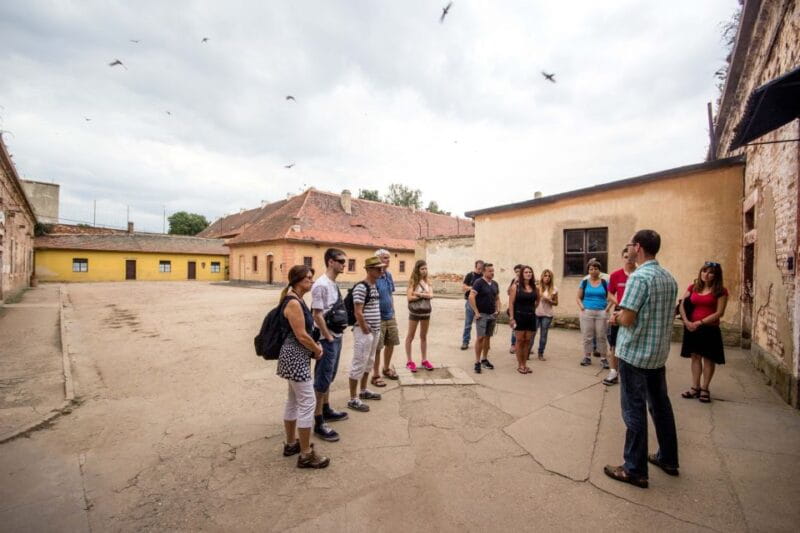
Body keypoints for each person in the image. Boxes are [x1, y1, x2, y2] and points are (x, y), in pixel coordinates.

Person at [605, 229, 679, 488]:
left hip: (635, 353)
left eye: (630, 246)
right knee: (661, 407)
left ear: (638, 247)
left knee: (633, 409)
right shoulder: (669, 277)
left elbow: (628, 318)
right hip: (657, 354)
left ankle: (634, 469)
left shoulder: (639, 277)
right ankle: (668, 458)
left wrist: (616, 317)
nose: (629, 250)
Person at [277, 265, 329, 469]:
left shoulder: (294, 298)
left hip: (293, 356)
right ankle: (306, 454)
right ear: (298, 281)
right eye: (308, 278)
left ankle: (292, 443)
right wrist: (317, 349)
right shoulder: (293, 302)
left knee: (293, 400)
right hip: (296, 356)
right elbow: (301, 335)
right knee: (307, 403)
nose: (312, 281)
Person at [310, 248, 350, 443]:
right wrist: (328, 336)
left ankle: (326, 409)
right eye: (340, 261)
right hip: (327, 339)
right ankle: (318, 421)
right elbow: (317, 314)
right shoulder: (321, 284)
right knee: (322, 379)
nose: (344, 264)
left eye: (344, 261)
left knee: (329, 376)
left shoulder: (332, 283)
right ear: (330, 262)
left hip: (336, 336)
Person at [679, 262, 729, 403]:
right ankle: (695, 387)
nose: (706, 275)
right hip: (691, 327)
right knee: (695, 357)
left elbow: (719, 312)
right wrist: (686, 321)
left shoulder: (721, 291)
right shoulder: (693, 287)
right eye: (704, 271)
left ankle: (705, 388)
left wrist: (699, 323)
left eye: (710, 272)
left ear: (716, 275)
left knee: (708, 358)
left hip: (709, 329)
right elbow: (682, 305)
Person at [347, 257, 384, 412]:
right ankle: (353, 398)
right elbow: (358, 311)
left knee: (369, 361)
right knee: (359, 362)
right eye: (378, 268)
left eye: (382, 268)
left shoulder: (374, 286)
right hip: (364, 332)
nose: (381, 270)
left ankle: (363, 390)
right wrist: (365, 328)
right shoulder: (361, 288)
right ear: (369, 269)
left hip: (374, 330)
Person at [603, 247, 636, 386]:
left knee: (632, 344)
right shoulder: (616, 275)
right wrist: (619, 303)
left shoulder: (640, 274)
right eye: (626, 256)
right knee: (614, 344)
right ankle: (613, 372)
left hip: (635, 312)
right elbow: (610, 294)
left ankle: (631, 374)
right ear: (622, 258)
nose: (629, 259)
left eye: (631, 257)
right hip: (619, 311)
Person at [577, 259, 616, 367]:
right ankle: (587, 357)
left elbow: (612, 297)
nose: (593, 271)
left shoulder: (605, 282)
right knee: (587, 336)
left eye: (596, 269)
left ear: (599, 270)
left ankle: (603, 358)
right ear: (588, 271)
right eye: (591, 269)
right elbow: (578, 297)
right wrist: (582, 307)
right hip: (587, 312)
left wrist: (607, 309)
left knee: (601, 336)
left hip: (601, 313)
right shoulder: (584, 282)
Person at [372, 249, 400, 387]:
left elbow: (390, 295)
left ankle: (386, 368)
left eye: (388, 258)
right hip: (378, 317)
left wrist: (393, 312)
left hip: (390, 316)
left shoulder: (388, 275)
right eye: (384, 258)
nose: (387, 260)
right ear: (378, 259)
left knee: (391, 343)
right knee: (378, 347)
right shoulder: (374, 276)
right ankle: (375, 375)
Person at [469, 262, 501, 374]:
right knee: (480, 338)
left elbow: (497, 298)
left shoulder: (495, 284)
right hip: (482, 315)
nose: (492, 273)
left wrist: (498, 309)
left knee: (487, 338)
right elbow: (471, 297)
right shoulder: (478, 282)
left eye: (493, 271)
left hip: (492, 315)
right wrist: (476, 312)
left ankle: (484, 359)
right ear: (484, 272)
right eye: (490, 271)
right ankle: (477, 362)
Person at [405, 260, 434, 372]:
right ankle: (409, 361)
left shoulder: (428, 281)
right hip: (415, 312)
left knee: (423, 336)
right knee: (410, 336)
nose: (424, 271)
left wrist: (417, 294)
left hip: (426, 312)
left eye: (425, 268)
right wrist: (423, 295)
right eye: (422, 269)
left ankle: (424, 360)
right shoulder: (413, 281)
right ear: (417, 269)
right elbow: (409, 298)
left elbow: (431, 295)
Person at [509, 265, 538, 374]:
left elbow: (537, 301)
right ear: (522, 274)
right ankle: (520, 365)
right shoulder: (515, 287)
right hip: (519, 316)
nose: (528, 274)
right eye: (526, 272)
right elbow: (511, 303)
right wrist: (512, 318)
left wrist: (531, 310)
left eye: (530, 272)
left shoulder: (535, 288)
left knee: (527, 341)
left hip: (531, 317)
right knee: (520, 340)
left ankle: (525, 364)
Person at [535, 269, 558, 360]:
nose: (547, 277)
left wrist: (549, 300)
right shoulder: (537, 287)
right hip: (536, 313)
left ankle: (540, 353)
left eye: (549, 276)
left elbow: (556, 303)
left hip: (547, 315)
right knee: (532, 333)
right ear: (542, 277)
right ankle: (527, 352)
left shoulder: (554, 289)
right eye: (545, 275)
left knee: (543, 335)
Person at [461, 260, 484, 350]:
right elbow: (463, 288)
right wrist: (473, 288)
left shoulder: (483, 276)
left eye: (481, 269)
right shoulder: (470, 275)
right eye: (478, 268)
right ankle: (465, 342)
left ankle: (481, 343)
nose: (480, 270)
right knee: (468, 323)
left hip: (481, 303)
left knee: (482, 324)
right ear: (475, 267)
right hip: (470, 302)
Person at [508, 264, 522, 354]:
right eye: (516, 272)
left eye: (519, 271)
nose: (518, 273)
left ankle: (524, 345)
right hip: (516, 307)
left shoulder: (528, 281)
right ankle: (513, 345)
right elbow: (508, 292)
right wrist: (514, 283)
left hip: (525, 308)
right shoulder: (514, 281)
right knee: (515, 327)